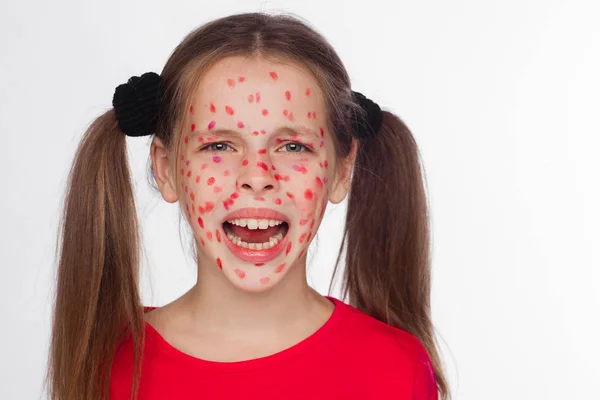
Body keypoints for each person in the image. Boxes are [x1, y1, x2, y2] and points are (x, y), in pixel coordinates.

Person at [46, 12, 450, 400]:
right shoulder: (106, 367)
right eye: (218, 145)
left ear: (342, 171)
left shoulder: (394, 370)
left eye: (294, 146)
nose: (257, 176)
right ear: (166, 169)